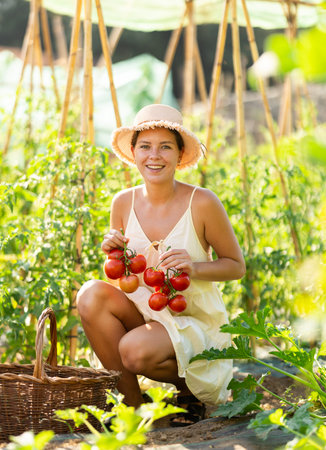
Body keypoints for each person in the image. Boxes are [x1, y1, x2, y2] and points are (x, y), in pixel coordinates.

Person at [77, 104, 246, 426]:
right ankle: (131, 409)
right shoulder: (123, 202)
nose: (154, 155)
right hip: (146, 312)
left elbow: (236, 267)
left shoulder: (203, 202)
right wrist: (113, 253)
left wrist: (195, 268)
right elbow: (120, 279)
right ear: (134, 152)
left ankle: (190, 392)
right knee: (89, 294)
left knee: (134, 350)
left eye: (165, 146)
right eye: (145, 146)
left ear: (180, 155)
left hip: (192, 319)